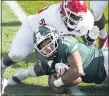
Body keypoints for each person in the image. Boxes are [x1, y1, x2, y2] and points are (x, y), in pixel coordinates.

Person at [1, 0, 97, 94]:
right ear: (64, 10)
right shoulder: (51, 17)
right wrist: (53, 64)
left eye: (78, 17)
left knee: (69, 65)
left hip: (55, 41)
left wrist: (90, 40)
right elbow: (40, 48)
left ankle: (29, 74)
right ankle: (2, 66)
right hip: (35, 32)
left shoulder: (87, 21)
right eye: (72, 16)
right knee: (16, 55)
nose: (75, 20)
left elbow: (88, 48)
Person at [7, 25, 108, 94]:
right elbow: (34, 71)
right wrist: (19, 76)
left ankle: (89, 42)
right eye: (42, 45)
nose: (47, 47)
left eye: (48, 41)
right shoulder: (45, 58)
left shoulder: (65, 45)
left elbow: (78, 72)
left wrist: (57, 83)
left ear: (54, 37)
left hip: (103, 60)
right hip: (103, 77)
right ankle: (89, 42)